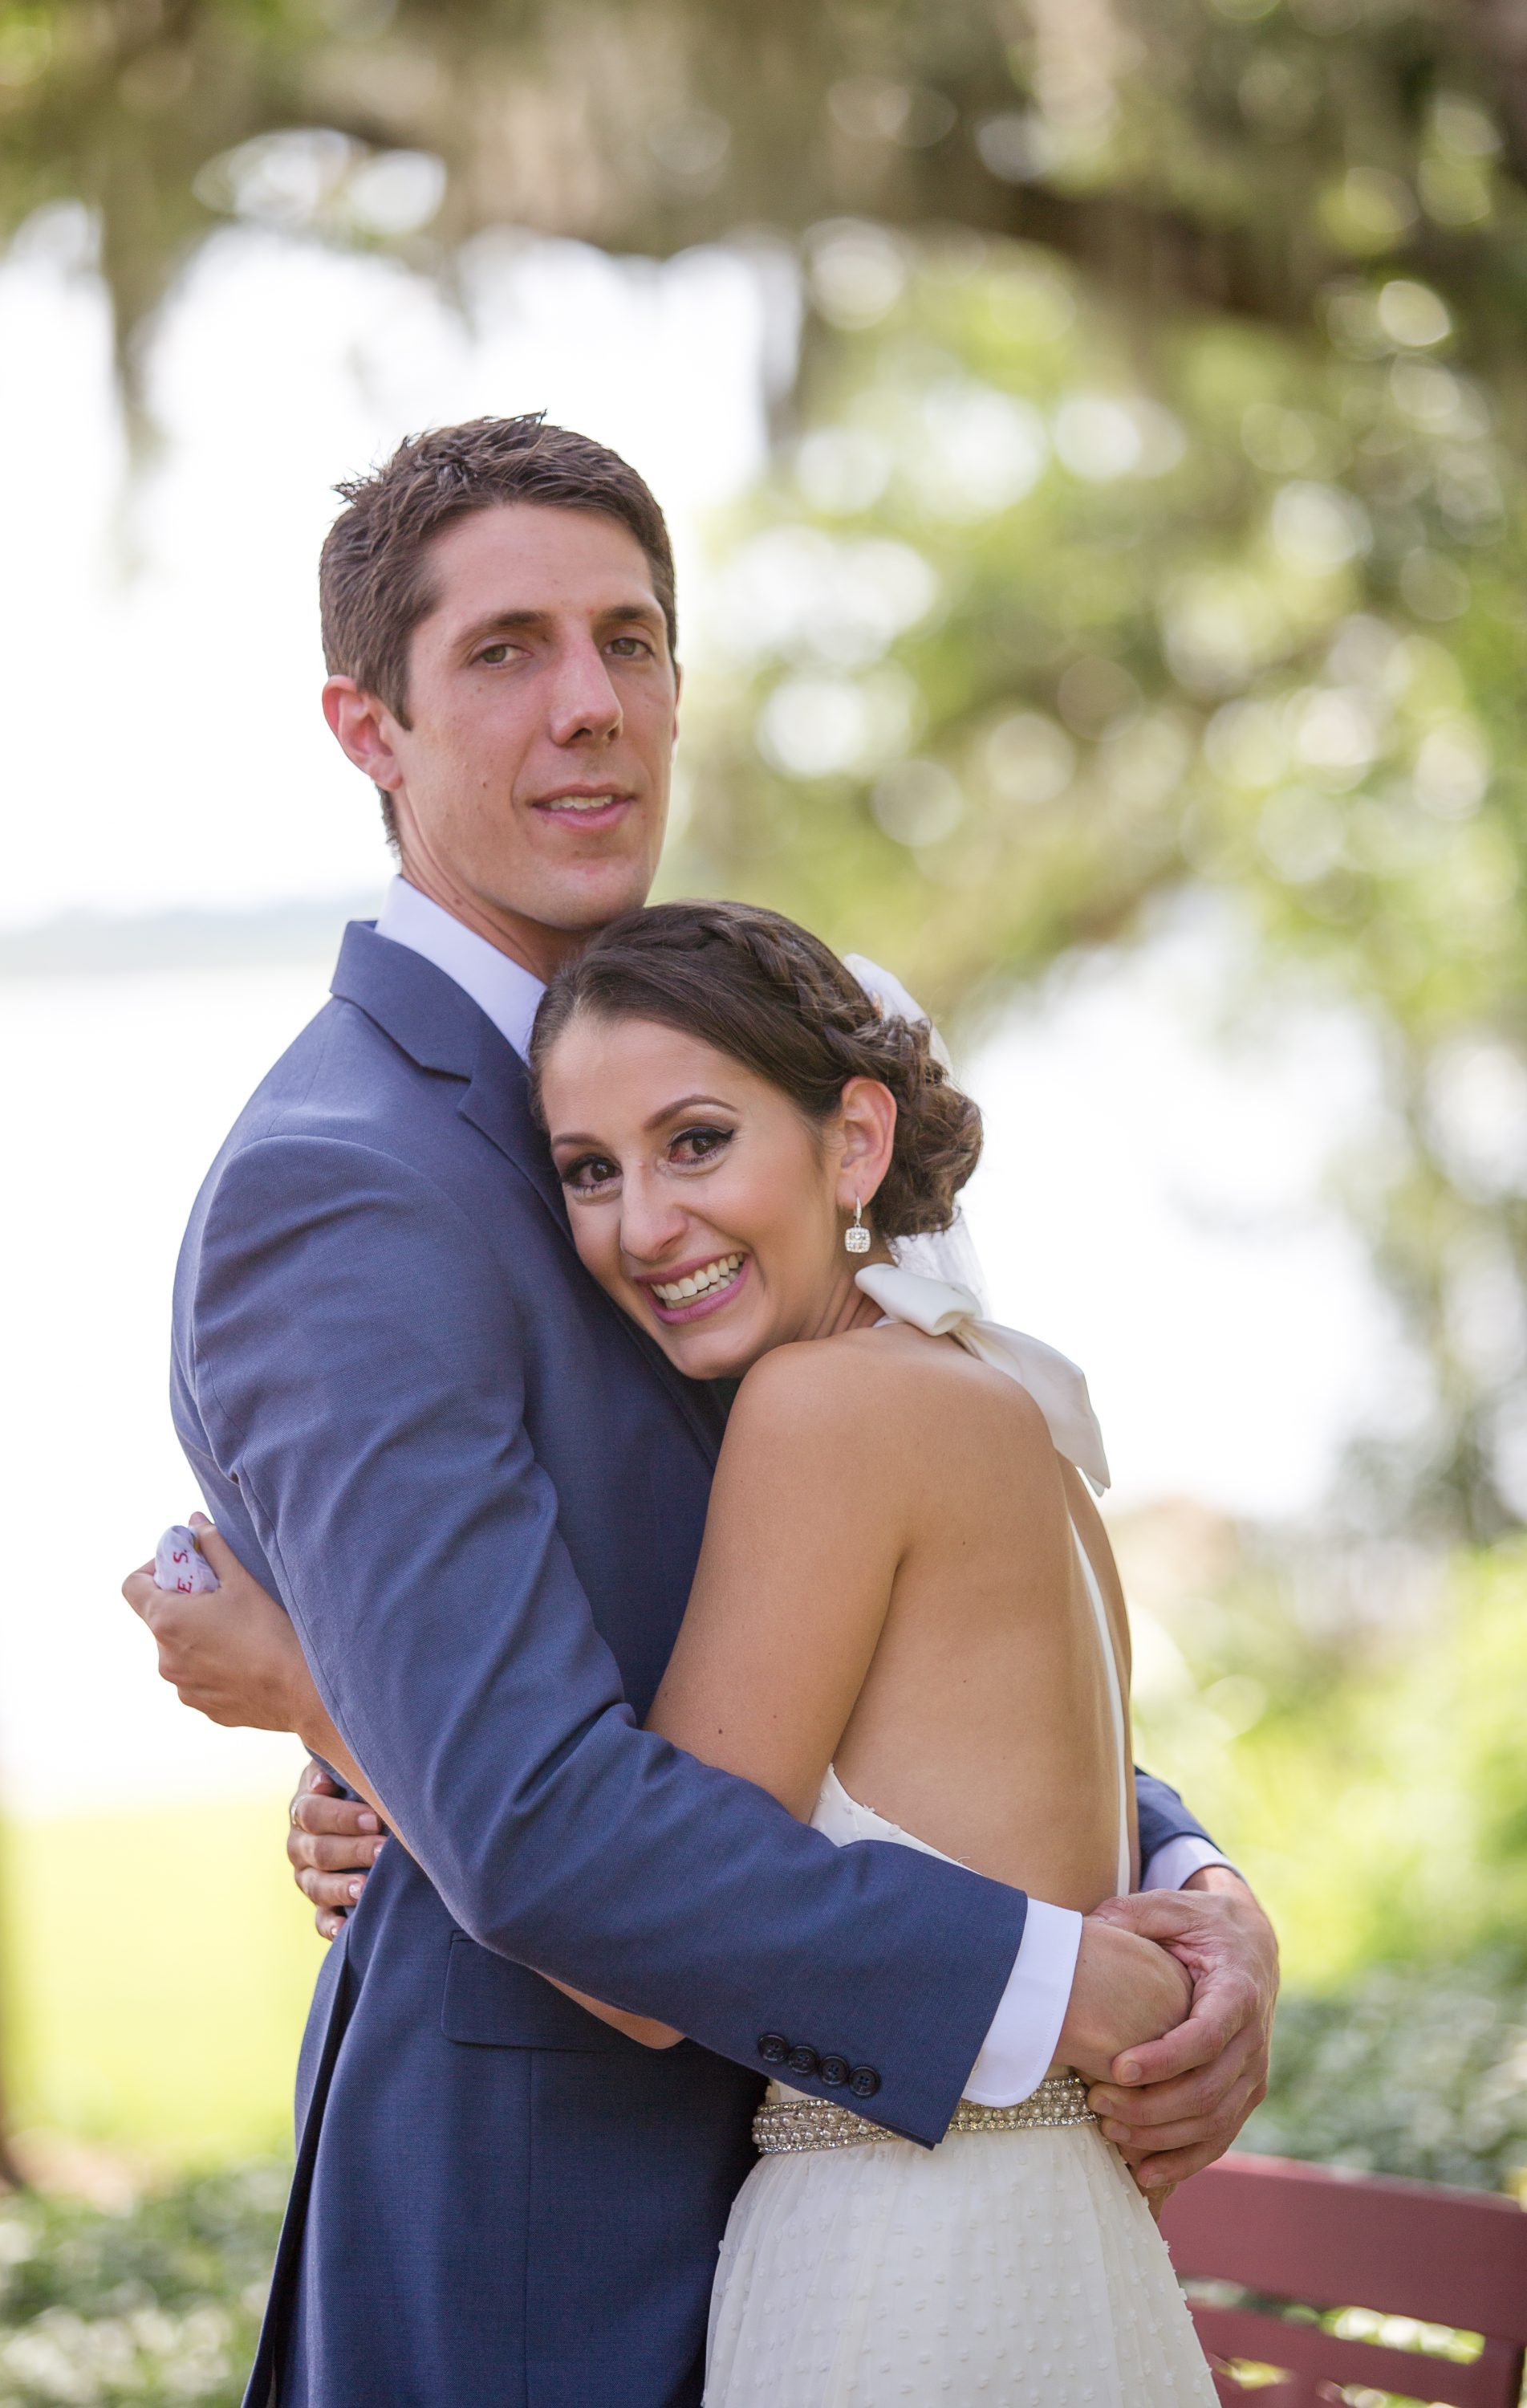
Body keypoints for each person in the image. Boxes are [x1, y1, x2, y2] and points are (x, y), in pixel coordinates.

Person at [124, 414, 1276, 2408]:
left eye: (631, 641)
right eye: (504, 652)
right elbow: (540, 1825)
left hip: (860, 2240)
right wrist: (1055, 1987)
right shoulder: (344, 1188)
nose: (590, 708)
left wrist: (1181, 1885)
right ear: (366, 729)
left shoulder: (732, 1081)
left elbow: (895, 1628)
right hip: (545, 2257)